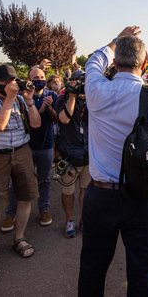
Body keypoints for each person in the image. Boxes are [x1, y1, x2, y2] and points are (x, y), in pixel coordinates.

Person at [79, 26, 148, 297]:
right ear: (145, 63)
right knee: (141, 268)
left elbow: (93, 61)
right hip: (143, 196)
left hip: (101, 194)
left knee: (92, 267)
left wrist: (114, 41)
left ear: (114, 63)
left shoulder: (96, 90)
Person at [0, 64, 41, 266]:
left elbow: (36, 124)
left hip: (21, 151)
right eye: (6, 82)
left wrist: (29, 101)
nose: (11, 85)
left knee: (26, 196)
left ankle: (19, 237)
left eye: (14, 80)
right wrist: (10, 98)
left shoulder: (21, 99)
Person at [3, 66, 58, 229]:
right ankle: (10, 213)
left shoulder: (52, 95)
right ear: (29, 80)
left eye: (41, 77)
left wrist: (49, 108)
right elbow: (30, 121)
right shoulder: (21, 98)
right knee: (19, 181)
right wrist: (39, 108)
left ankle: (44, 209)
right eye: (35, 78)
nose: (39, 80)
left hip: (46, 145)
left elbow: (56, 119)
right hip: (25, 145)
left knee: (45, 179)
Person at [55, 69, 91, 238]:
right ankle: (69, 219)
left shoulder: (92, 101)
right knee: (68, 191)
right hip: (68, 155)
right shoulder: (62, 99)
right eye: (79, 81)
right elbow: (64, 119)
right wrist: (72, 96)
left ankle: (84, 218)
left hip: (88, 154)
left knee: (85, 190)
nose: (82, 85)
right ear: (71, 82)